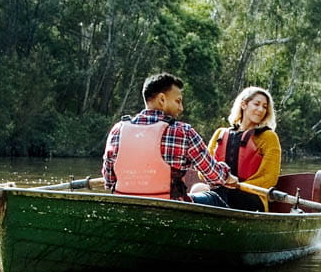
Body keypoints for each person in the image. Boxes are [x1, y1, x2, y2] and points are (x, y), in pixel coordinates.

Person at [100, 73, 240, 206]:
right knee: (214, 198)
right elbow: (213, 176)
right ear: (162, 99)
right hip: (171, 207)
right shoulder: (183, 131)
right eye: (178, 101)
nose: (181, 108)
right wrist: (228, 177)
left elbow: (109, 180)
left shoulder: (118, 129)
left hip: (127, 205)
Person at [203, 86, 282, 211]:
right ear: (244, 104)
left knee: (220, 195)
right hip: (220, 189)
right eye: (256, 104)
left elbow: (269, 178)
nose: (261, 109)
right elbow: (203, 169)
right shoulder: (220, 133)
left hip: (252, 197)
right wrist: (224, 181)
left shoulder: (268, 137)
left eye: (265, 106)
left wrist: (237, 186)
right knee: (198, 188)